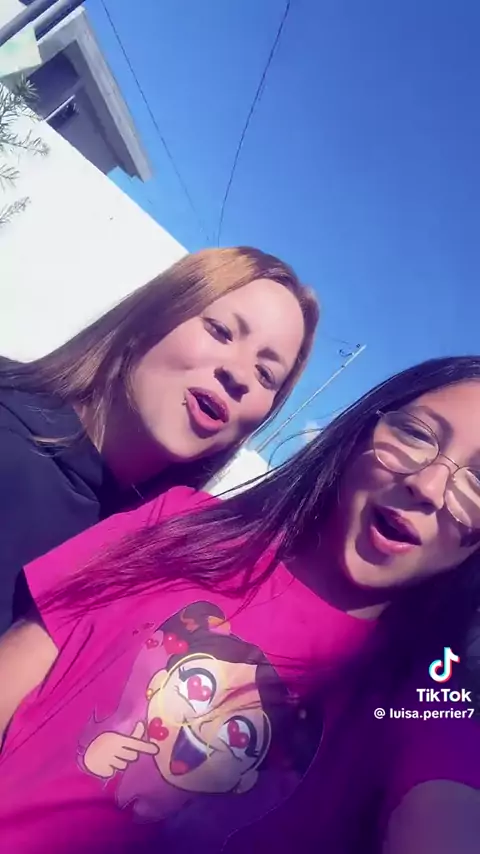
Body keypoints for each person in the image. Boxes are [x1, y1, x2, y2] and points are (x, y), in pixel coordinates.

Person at [0, 355, 479, 854]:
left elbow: (445, 812)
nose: (427, 486)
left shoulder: (430, 699)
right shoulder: (182, 524)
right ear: (361, 434)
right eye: (417, 434)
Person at [0, 246, 319, 632]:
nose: (239, 374)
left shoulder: (148, 563)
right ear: (152, 316)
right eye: (221, 331)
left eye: (266, 374)